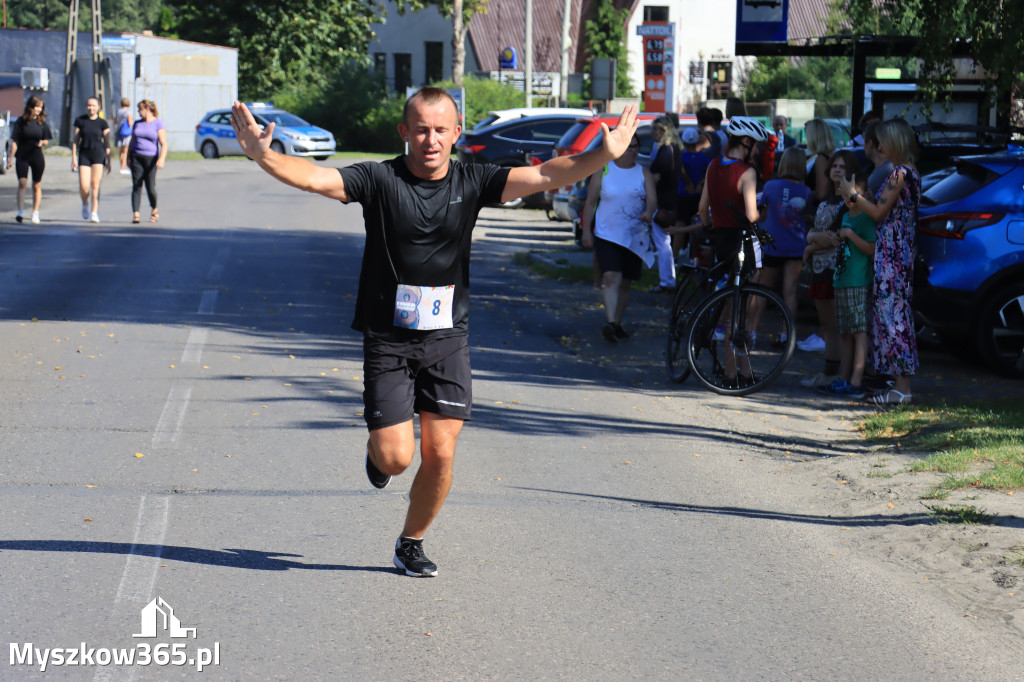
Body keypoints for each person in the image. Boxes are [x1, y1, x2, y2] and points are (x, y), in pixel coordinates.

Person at [230, 88, 639, 577]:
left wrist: (602, 154)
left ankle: (411, 541)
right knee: (397, 457)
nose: (430, 140)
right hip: (388, 338)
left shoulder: (475, 180)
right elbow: (316, 177)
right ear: (404, 132)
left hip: (447, 337)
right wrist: (264, 155)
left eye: (440, 130)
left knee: (440, 451)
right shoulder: (379, 178)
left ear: (456, 133)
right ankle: (377, 456)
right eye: (421, 129)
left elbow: (548, 174)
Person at [840, 118, 921, 405]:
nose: (880, 146)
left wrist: (853, 195)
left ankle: (902, 388)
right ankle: (898, 384)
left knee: (893, 316)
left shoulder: (899, 173)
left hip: (892, 254)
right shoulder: (911, 171)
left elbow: (877, 211)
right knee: (893, 314)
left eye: (884, 141)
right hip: (899, 251)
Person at [696, 116, 771, 387]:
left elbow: (703, 208)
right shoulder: (747, 173)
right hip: (744, 242)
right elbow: (751, 215)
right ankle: (737, 372)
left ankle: (736, 370)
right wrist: (766, 212)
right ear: (747, 143)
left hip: (721, 241)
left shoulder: (713, 165)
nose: (759, 152)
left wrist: (709, 227)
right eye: (758, 146)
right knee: (744, 309)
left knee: (730, 303)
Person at [580, 134, 656, 342]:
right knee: (611, 277)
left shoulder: (643, 173)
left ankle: (617, 323)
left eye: (636, 147)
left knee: (626, 283)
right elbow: (590, 202)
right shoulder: (604, 170)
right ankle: (611, 322)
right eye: (628, 147)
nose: (632, 150)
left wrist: (649, 212)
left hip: (633, 236)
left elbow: (652, 199)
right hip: (607, 234)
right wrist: (586, 230)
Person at [800, 149, 859, 387]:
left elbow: (833, 238)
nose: (837, 170)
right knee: (826, 326)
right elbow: (814, 233)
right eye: (835, 166)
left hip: (838, 269)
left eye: (843, 167)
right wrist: (813, 239)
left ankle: (836, 373)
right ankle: (829, 371)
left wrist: (809, 248)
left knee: (837, 326)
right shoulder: (825, 200)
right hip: (819, 269)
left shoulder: (850, 201)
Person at [821, 168, 876, 398]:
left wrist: (850, 235)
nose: (848, 200)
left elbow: (872, 248)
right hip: (842, 280)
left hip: (857, 281)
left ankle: (856, 380)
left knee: (859, 331)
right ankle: (843, 378)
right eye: (845, 196)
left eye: (852, 195)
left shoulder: (865, 218)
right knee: (845, 331)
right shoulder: (845, 215)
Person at [757, 147, 812, 347]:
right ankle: (786, 336)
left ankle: (751, 332)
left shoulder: (771, 186)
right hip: (796, 246)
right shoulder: (807, 192)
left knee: (764, 289)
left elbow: (761, 213)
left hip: (773, 244)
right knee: (790, 291)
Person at [648, 118, 687, 292]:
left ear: (665, 131)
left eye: (656, 129)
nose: (653, 133)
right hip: (671, 199)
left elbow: (654, 179)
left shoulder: (664, 152)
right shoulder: (674, 150)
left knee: (662, 242)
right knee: (665, 241)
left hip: (661, 202)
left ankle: (667, 281)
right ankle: (668, 278)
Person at [8, 95, 51, 224]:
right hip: (22, 155)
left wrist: (42, 143)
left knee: (36, 185)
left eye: (40, 107)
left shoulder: (42, 123)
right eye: (36, 106)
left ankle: (35, 212)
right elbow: (15, 141)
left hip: (37, 156)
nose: (38, 109)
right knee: (22, 182)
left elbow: (46, 141)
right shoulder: (21, 121)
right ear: (30, 107)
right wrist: (11, 159)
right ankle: (20, 211)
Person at [72, 96, 111, 223]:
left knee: (95, 185)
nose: (91, 108)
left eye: (94, 105)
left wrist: (108, 161)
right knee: (84, 185)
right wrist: (74, 158)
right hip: (84, 154)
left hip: (98, 154)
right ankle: (85, 204)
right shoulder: (80, 121)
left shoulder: (103, 123)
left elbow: (107, 143)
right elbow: (75, 141)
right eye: (89, 105)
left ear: (98, 107)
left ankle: (94, 212)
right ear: (86, 107)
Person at [674, 127, 710, 265]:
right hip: (698, 196)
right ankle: (696, 258)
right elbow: (708, 172)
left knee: (680, 227)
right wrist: (699, 183)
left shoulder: (681, 156)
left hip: (683, 195)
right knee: (698, 227)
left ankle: (675, 258)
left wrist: (688, 182)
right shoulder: (703, 157)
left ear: (683, 141)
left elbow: (681, 170)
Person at [128, 100, 167, 223]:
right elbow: (132, 140)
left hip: (151, 158)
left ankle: (154, 209)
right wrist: (127, 157)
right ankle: (136, 214)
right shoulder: (137, 123)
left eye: (140, 110)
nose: (139, 112)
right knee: (136, 185)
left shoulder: (158, 123)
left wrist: (161, 159)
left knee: (150, 186)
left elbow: (163, 144)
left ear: (148, 109)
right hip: (136, 156)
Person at [803, 119, 837, 206]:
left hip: (817, 211)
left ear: (813, 138)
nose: (806, 139)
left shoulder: (821, 159)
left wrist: (800, 193)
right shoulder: (830, 156)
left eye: (807, 135)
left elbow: (821, 194)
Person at [862, 121, 893, 196]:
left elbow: (861, 199)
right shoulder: (889, 166)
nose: (863, 146)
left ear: (870, 143)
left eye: (864, 142)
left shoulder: (884, 171)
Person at [114, 97, 133, 175]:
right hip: (126, 133)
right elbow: (130, 123)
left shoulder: (118, 111)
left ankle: (122, 166)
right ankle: (123, 167)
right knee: (125, 151)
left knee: (121, 151)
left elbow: (115, 121)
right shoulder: (128, 111)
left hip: (119, 131)